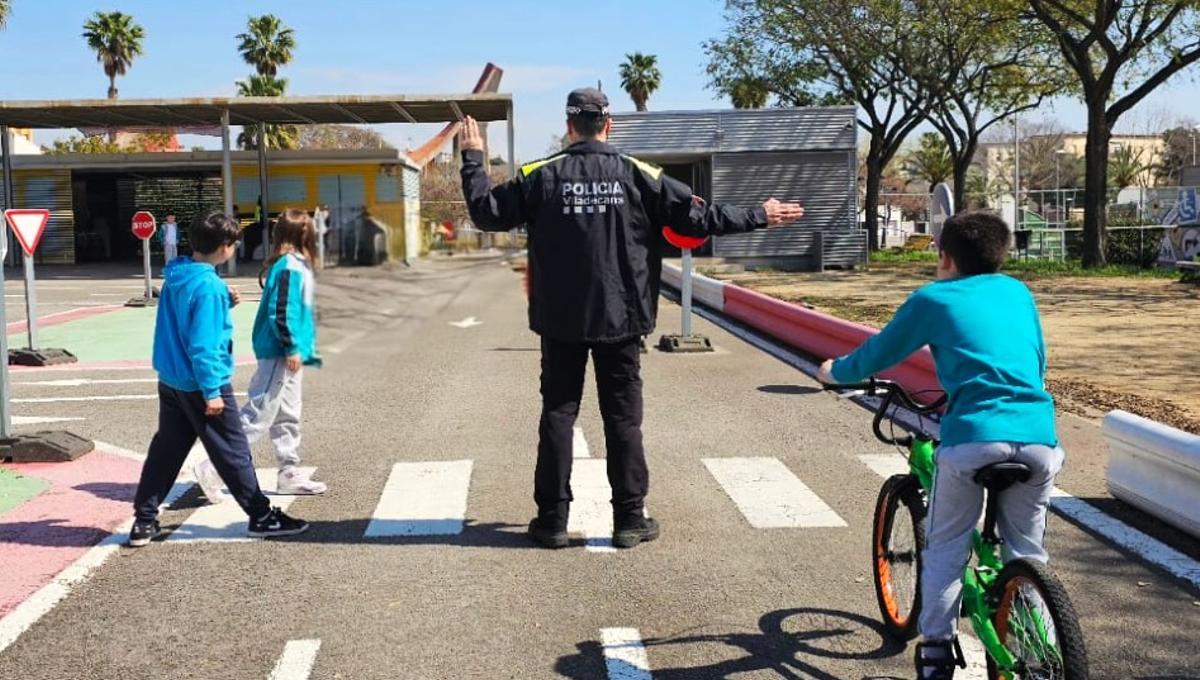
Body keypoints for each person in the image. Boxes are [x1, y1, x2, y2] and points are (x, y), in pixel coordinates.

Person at [458, 88, 804, 550]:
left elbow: (486, 212)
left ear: (568, 126)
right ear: (609, 124)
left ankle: (553, 521)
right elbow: (700, 218)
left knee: (559, 415)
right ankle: (628, 520)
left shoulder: (540, 175)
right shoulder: (639, 175)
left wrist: (473, 158)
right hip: (621, 320)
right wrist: (759, 214)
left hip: (560, 322)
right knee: (622, 419)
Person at [816, 211, 1062, 680]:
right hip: (1038, 437)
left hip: (974, 437)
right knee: (1027, 552)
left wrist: (833, 371)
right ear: (1001, 255)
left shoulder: (932, 298)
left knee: (947, 548)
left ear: (944, 255)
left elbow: (878, 354)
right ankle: (1045, 646)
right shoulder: (1018, 292)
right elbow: (1035, 360)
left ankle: (935, 650)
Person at [129, 209, 309, 546]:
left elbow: (185, 320)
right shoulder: (209, 287)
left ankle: (144, 520)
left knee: (166, 451)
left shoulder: (178, 275)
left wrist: (223, 301)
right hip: (201, 384)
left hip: (172, 380)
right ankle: (260, 514)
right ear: (226, 246)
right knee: (233, 450)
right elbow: (203, 345)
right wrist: (212, 391)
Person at [237, 208, 327, 494]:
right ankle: (215, 465)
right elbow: (282, 311)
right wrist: (291, 346)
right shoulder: (289, 265)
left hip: (285, 349)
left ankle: (289, 471)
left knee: (287, 412)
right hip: (279, 350)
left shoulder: (292, 264)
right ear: (303, 234)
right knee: (259, 412)